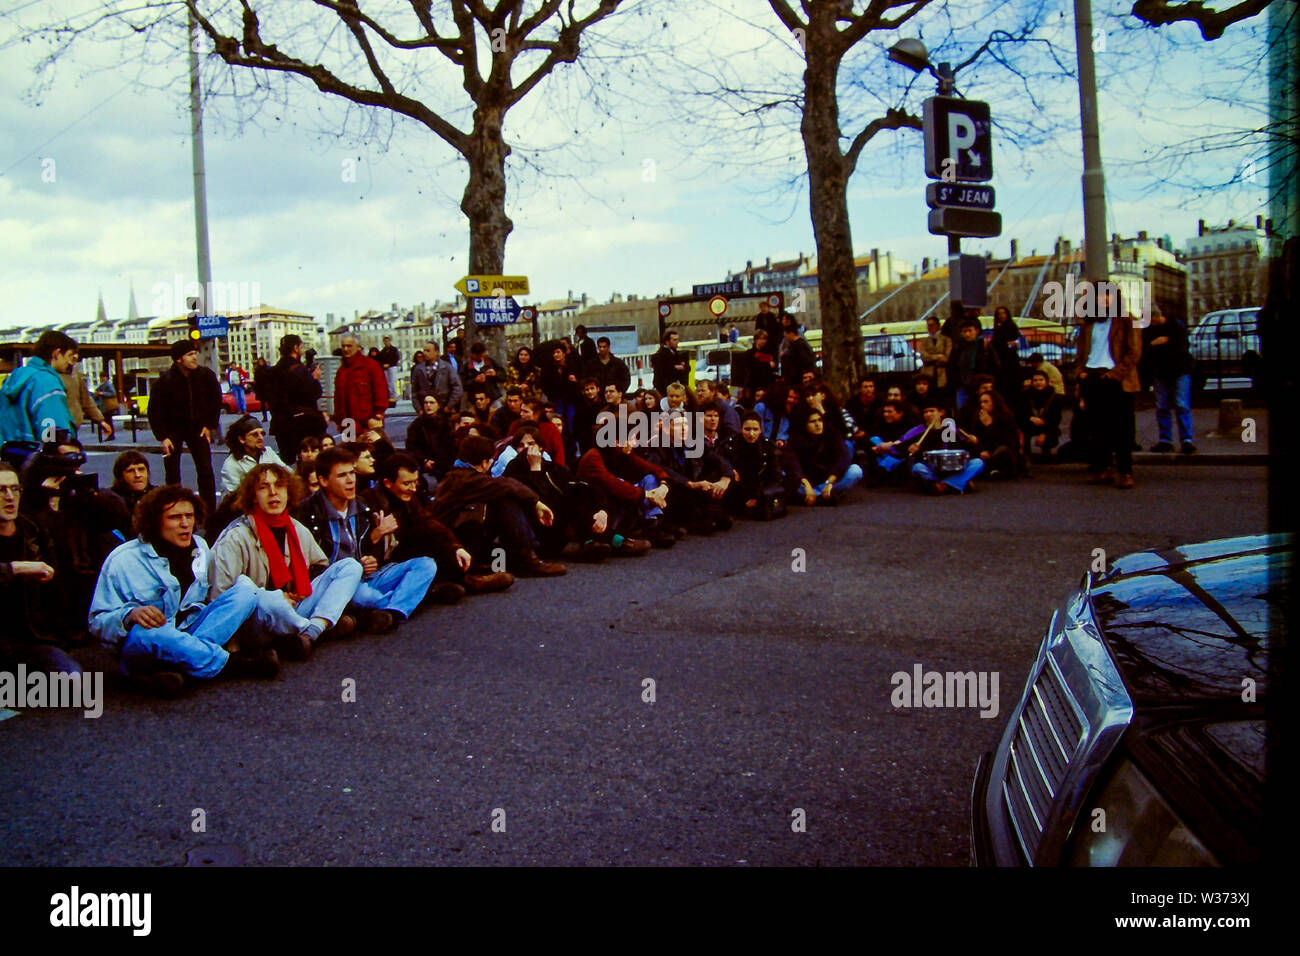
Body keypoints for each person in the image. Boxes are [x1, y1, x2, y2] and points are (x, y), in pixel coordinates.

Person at [89, 484, 280, 698]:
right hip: (147, 642)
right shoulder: (123, 559)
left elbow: (208, 601)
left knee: (246, 590)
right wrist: (129, 615)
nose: (185, 524)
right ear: (154, 521)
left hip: (189, 632)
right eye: (174, 517)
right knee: (152, 632)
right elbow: (97, 622)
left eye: (189, 516)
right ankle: (231, 665)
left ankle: (179, 670)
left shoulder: (200, 547)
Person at [209, 463, 363, 660]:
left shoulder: (296, 528)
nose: (273, 493)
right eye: (264, 487)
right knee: (267, 598)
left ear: (289, 492)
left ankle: (311, 632)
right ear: (253, 496)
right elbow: (222, 598)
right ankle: (319, 629)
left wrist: (298, 592)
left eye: (280, 486)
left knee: (350, 566)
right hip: (259, 617)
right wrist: (233, 651)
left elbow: (320, 567)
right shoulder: (236, 537)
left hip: (294, 606)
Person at [296, 447, 438, 633]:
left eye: (352, 473)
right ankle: (407, 599)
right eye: (342, 475)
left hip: (368, 575)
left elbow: (370, 547)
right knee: (366, 597)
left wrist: (372, 556)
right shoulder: (307, 512)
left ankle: (392, 612)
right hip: (337, 582)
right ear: (323, 480)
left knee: (426, 565)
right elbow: (310, 564)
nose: (350, 480)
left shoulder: (362, 506)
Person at [363, 453, 514, 597]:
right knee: (425, 537)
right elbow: (356, 544)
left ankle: (455, 578)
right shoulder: (368, 502)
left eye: (415, 482)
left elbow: (428, 522)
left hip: (403, 554)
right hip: (382, 565)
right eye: (407, 484)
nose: (413, 489)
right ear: (388, 483)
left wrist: (456, 547)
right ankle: (467, 582)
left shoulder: (408, 498)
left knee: (436, 533)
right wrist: (378, 533)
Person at [427, 435, 567, 577]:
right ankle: (526, 559)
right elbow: (506, 484)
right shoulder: (467, 480)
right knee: (505, 500)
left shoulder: (457, 477)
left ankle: (506, 560)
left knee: (501, 497)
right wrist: (537, 503)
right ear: (484, 463)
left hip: (450, 544)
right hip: (455, 546)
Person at [502, 425, 642, 560]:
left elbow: (584, 485)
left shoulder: (551, 466)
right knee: (568, 499)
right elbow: (542, 499)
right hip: (540, 526)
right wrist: (535, 469)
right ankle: (611, 539)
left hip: (563, 522)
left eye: (531, 444)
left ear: (540, 447)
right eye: (521, 446)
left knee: (580, 490)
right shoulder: (514, 469)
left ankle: (591, 541)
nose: (526, 449)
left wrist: (602, 510)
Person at [0, 460, 80, 676]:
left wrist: (61, 638)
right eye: (1, 490)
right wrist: (15, 568)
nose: (9, 496)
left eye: (15, 489)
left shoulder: (34, 531)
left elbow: (58, 591)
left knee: (73, 681)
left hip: (31, 638)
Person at [576, 412, 676, 548]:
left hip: (616, 500)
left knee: (650, 478)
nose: (633, 442)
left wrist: (664, 486)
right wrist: (647, 494)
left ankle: (652, 524)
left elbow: (654, 469)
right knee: (623, 482)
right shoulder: (593, 457)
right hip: (599, 505)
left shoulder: (621, 452)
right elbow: (612, 484)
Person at [1076, 286, 1142, 489]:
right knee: (1097, 428)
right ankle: (1103, 468)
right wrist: (1081, 372)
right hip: (1093, 375)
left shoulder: (1127, 320)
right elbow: (1081, 351)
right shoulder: (1089, 323)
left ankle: (1125, 471)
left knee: (1122, 429)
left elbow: (1134, 352)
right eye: (1099, 296)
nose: (1103, 299)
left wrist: (1114, 374)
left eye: (1107, 295)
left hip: (1115, 378)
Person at [148, 339, 222, 514]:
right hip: (173, 431)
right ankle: (174, 508)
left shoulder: (206, 376)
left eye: (195, 353)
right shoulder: (164, 382)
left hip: (198, 429)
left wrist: (209, 425)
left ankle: (208, 512)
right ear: (178, 359)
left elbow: (216, 400)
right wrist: (163, 437)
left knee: (205, 470)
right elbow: (154, 411)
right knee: (172, 474)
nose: (195, 357)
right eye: (190, 355)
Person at [0, 329, 77, 444]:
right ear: (56, 354)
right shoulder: (47, 381)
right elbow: (51, 424)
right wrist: (60, 446)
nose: (70, 362)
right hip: (39, 456)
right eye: (69, 355)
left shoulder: (17, 376)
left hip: (13, 452)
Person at [1140, 305, 1195, 454]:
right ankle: (1183, 439)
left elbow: (1180, 348)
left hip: (1174, 370)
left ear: (1156, 317)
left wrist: (1155, 345)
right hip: (1170, 370)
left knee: (1173, 405)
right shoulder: (1175, 326)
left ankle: (1173, 439)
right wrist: (1159, 344)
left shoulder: (1175, 326)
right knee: (1175, 405)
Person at [903, 399, 984, 495]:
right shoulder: (917, 430)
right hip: (931, 468)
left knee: (978, 463)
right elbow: (901, 445)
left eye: (932, 411)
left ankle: (944, 485)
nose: (928, 414)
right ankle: (958, 483)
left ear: (941, 412)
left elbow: (965, 449)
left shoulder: (953, 429)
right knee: (917, 467)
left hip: (954, 468)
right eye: (925, 412)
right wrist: (909, 448)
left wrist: (972, 442)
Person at [784, 410, 862, 505]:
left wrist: (830, 482)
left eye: (820, 420)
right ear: (804, 424)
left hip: (827, 479)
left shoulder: (831, 434)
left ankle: (816, 495)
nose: (818, 424)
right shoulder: (795, 439)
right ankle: (822, 496)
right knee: (784, 475)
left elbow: (844, 457)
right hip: (805, 481)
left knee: (856, 470)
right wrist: (807, 486)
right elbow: (793, 465)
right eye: (812, 422)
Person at [266, 334, 325, 458]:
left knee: (288, 461)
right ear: (295, 348)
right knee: (308, 461)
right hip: (302, 424)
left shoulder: (272, 371)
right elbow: (314, 393)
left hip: (281, 424)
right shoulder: (299, 370)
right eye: (301, 347)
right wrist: (315, 378)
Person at [722, 412, 787, 520]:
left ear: (760, 430)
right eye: (747, 429)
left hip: (761, 489)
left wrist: (759, 496)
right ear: (741, 428)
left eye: (755, 429)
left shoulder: (768, 446)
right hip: (737, 488)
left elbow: (776, 475)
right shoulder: (730, 445)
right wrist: (730, 470)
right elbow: (721, 463)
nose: (751, 434)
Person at [335, 335, 389, 435]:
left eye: (349, 346)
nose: (345, 349)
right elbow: (338, 398)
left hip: (368, 422)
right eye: (343, 346)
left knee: (370, 450)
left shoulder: (371, 366)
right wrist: (339, 421)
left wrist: (378, 415)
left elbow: (381, 392)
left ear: (358, 347)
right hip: (348, 424)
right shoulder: (341, 371)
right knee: (349, 449)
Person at [220, 415, 287, 494]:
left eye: (262, 434)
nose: (260, 438)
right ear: (241, 439)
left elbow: (286, 473)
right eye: (255, 435)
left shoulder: (268, 452)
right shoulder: (231, 464)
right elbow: (233, 497)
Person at [967, 390, 1024, 477]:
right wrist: (977, 442)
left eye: (986, 402)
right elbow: (980, 438)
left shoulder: (1006, 417)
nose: (982, 405)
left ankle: (990, 470)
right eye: (981, 402)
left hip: (1002, 451)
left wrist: (990, 426)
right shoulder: (979, 417)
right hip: (985, 451)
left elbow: (1011, 442)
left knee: (1003, 451)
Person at [62, 351, 114, 442]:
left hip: (72, 427)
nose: (75, 357)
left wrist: (100, 420)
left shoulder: (74, 374)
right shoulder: (46, 376)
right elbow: (48, 412)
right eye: (71, 354)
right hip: (57, 429)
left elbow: (85, 399)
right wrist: (52, 442)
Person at [406, 394, 456, 481]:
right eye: (426, 403)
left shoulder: (447, 424)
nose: (428, 405)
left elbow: (450, 446)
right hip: (422, 462)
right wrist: (424, 460)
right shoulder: (417, 425)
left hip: (444, 463)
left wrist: (438, 462)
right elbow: (411, 446)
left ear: (438, 405)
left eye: (432, 402)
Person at [950, 318, 993, 413]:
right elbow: (952, 365)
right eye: (964, 331)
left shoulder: (983, 345)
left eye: (969, 331)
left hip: (980, 386)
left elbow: (994, 365)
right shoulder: (959, 346)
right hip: (962, 386)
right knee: (963, 412)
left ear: (976, 331)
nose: (967, 334)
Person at [1017, 370, 1063, 462]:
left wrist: (1044, 433)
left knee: (1051, 432)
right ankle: (1026, 455)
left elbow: (1056, 418)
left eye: (1041, 380)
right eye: (1036, 380)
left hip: (1047, 424)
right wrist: (1030, 418)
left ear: (1046, 381)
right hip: (1030, 423)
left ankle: (1047, 453)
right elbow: (1019, 413)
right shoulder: (1025, 395)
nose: (1038, 383)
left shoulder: (1055, 397)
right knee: (1024, 428)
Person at [109, 450, 155, 530]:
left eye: (141, 469)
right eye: (130, 471)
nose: (137, 475)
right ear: (120, 476)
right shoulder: (112, 500)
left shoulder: (157, 495)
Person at [412, 341, 464, 412]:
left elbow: (457, 387)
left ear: (437, 352)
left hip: (443, 408)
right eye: (424, 351)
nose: (425, 353)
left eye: (428, 351)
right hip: (425, 409)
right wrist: (419, 409)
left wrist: (449, 406)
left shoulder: (447, 367)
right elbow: (414, 391)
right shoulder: (418, 369)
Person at [990, 305, 1022, 399]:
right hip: (1002, 358)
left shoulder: (1010, 326)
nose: (1001, 315)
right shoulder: (998, 327)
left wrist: (1007, 345)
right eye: (999, 314)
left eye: (1003, 313)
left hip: (1009, 359)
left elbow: (1014, 342)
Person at [460, 342, 505, 406]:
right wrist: (475, 380)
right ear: (472, 355)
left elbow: (503, 376)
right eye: (478, 356)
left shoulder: (491, 361)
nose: (481, 358)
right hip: (475, 400)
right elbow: (462, 384)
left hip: (493, 397)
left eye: (482, 355)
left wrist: (495, 374)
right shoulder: (466, 366)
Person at [917, 316, 952, 392]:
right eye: (928, 325)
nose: (930, 327)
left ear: (938, 325)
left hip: (942, 376)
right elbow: (923, 356)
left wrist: (931, 357)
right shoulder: (925, 341)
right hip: (928, 375)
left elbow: (946, 358)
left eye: (932, 325)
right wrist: (938, 356)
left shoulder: (946, 340)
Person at [651, 330, 689, 395]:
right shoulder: (659, 356)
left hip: (680, 388)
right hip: (665, 390)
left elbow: (688, 368)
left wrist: (682, 368)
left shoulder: (679, 354)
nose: (677, 342)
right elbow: (665, 371)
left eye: (677, 339)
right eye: (674, 340)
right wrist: (676, 368)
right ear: (667, 342)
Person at [378, 336, 400, 409]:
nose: (386, 342)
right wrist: (383, 365)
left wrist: (389, 364)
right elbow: (380, 359)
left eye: (388, 341)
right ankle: (390, 396)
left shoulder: (394, 349)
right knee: (387, 382)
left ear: (390, 341)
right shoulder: (383, 351)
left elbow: (396, 358)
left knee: (393, 381)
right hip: (385, 368)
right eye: (385, 341)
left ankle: (395, 396)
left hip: (392, 366)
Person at [252, 356, 272, 422]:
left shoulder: (267, 369)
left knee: (270, 403)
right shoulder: (257, 370)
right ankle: (265, 417)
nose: (261, 363)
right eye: (259, 362)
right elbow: (256, 380)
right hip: (261, 390)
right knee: (263, 405)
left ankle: (273, 416)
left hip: (268, 389)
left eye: (261, 362)